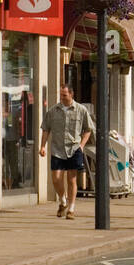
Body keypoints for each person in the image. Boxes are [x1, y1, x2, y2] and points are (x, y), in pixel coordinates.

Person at [39, 83, 95, 220]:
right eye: (61, 95)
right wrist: (42, 146)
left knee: (72, 180)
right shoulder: (53, 111)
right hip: (57, 148)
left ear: (71, 94)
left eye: (64, 95)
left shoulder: (81, 110)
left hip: (74, 148)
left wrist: (82, 145)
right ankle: (63, 201)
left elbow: (88, 129)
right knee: (56, 179)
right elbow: (46, 129)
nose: (62, 98)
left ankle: (71, 209)